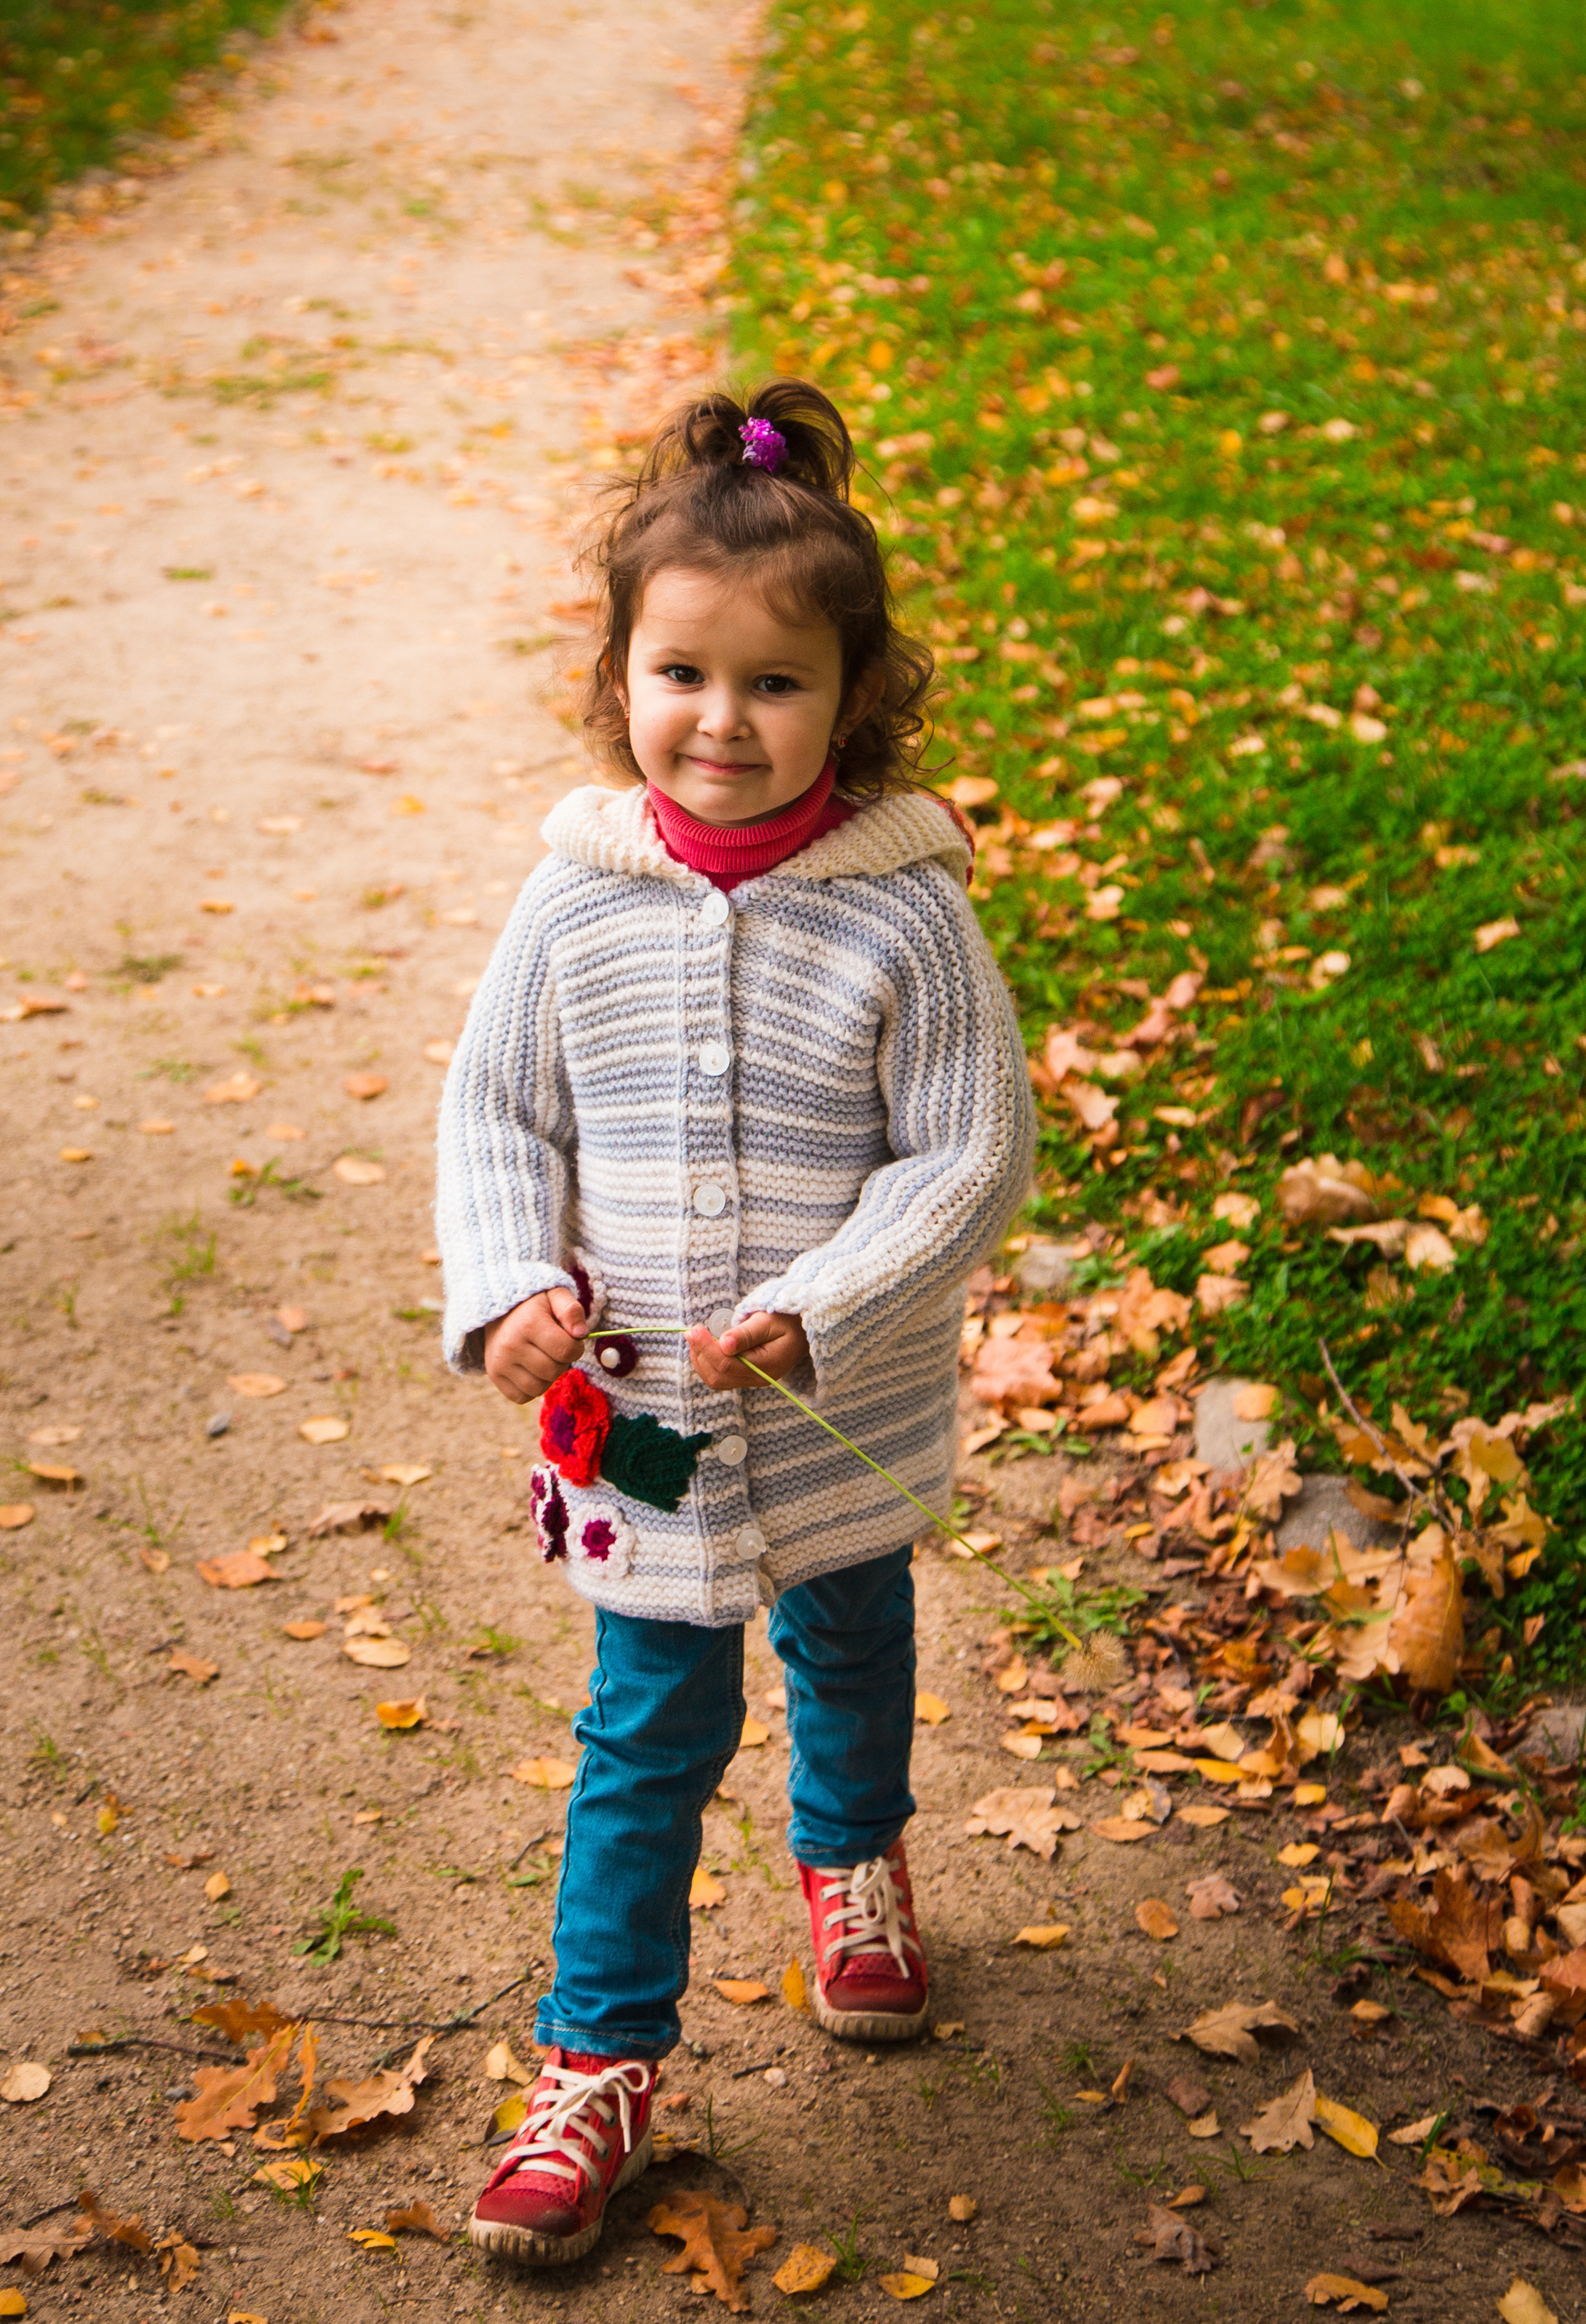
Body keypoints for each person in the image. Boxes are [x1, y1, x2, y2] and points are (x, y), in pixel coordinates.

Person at [435, 379, 1035, 2267]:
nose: (719, 720)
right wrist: (509, 1286)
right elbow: (494, 1116)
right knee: (645, 1731)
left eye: (773, 685)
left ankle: (852, 1858)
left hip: (836, 1412)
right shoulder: (569, 908)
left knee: (851, 1648)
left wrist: (822, 1297)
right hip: (641, 1432)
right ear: (619, 673)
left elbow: (967, 1152)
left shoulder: (907, 919)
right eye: (678, 672)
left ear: (854, 699)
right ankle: (597, 2060)